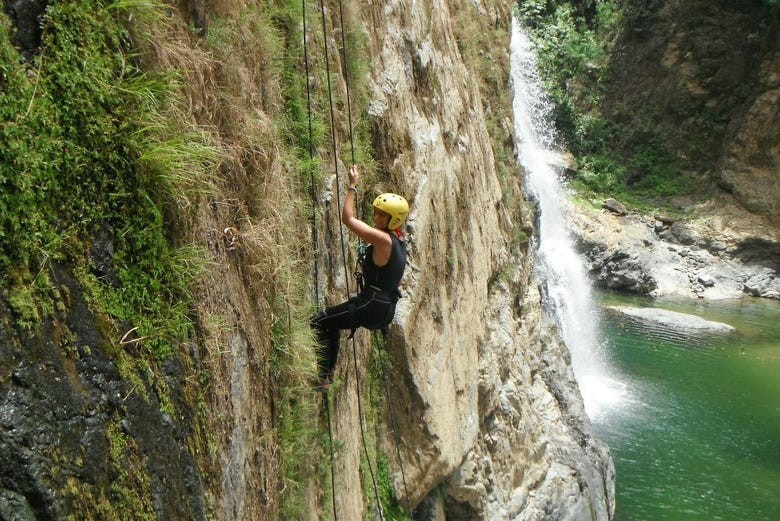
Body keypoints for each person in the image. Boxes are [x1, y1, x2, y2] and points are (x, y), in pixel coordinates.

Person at [311, 164, 409, 390]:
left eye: (382, 215)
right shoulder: (399, 243)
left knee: (318, 321)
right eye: (376, 211)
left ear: (393, 220)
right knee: (330, 323)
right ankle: (326, 376)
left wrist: (352, 186)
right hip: (382, 308)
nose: (376, 216)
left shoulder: (384, 241)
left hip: (371, 305)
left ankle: (324, 378)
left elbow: (348, 219)